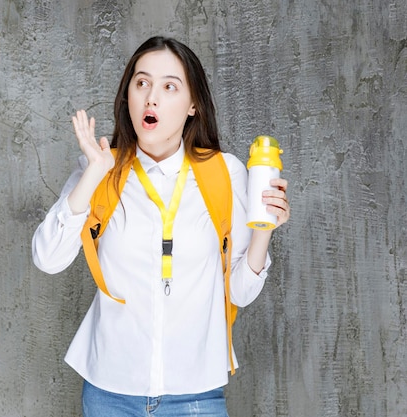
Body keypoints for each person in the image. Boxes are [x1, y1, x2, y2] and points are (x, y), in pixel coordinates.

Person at [32, 36, 290, 417]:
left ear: (192, 105)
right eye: (142, 83)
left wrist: (265, 228)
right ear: (129, 98)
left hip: (196, 396)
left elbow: (240, 292)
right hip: (108, 393)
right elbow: (47, 259)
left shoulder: (226, 173)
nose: (151, 97)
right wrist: (94, 174)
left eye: (169, 86)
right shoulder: (101, 170)